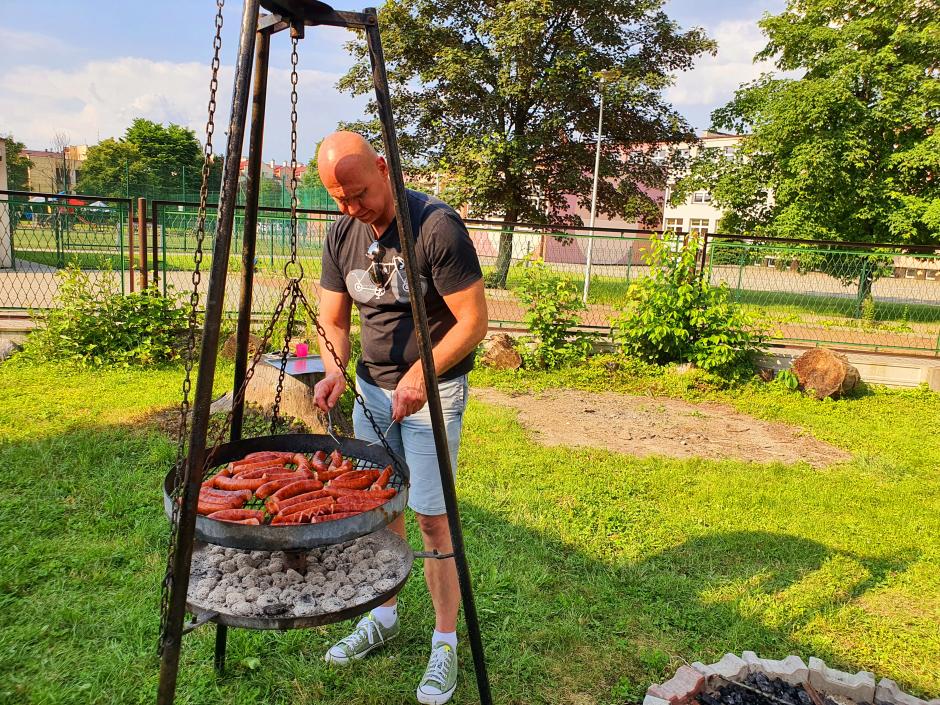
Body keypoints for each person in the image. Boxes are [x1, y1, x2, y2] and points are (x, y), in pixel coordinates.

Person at [312, 131, 487, 705]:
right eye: (339, 199)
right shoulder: (342, 233)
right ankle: (383, 616)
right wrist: (335, 369)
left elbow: (473, 322)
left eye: (359, 194)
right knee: (381, 509)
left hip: (432, 395)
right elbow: (334, 319)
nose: (351, 208)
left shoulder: (435, 227)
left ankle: (444, 642)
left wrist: (420, 375)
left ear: (384, 168)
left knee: (432, 520)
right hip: (371, 393)